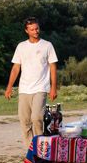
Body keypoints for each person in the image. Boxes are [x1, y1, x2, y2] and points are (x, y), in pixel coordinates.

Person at [5, 17, 58, 147]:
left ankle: (40, 145)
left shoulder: (47, 45)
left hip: (40, 88)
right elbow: (16, 68)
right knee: (25, 121)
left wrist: (53, 88)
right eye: (32, 29)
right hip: (24, 89)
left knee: (36, 118)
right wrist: (9, 87)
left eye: (37, 28)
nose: (36, 31)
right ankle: (30, 149)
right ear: (26, 31)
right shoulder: (21, 46)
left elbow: (53, 67)